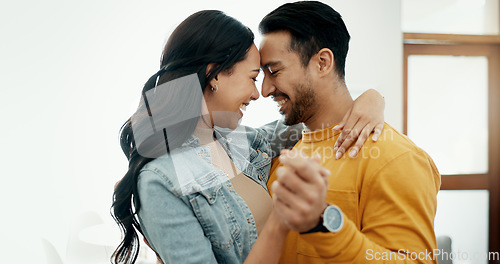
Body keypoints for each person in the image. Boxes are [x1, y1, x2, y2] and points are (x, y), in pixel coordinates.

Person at [111, 10, 385, 264]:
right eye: (254, 78)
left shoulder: (237, 142)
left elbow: (311, 116)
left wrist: (372, 99)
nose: (259, 93)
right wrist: (281, 220)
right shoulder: (160, 181)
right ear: (213, 74)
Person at [259, 2, 441, 264]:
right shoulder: (280, 152)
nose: (265, 90)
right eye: (262, 74)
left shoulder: (397, 158)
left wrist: (324, 224)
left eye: (274, 71)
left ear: (322, 63)